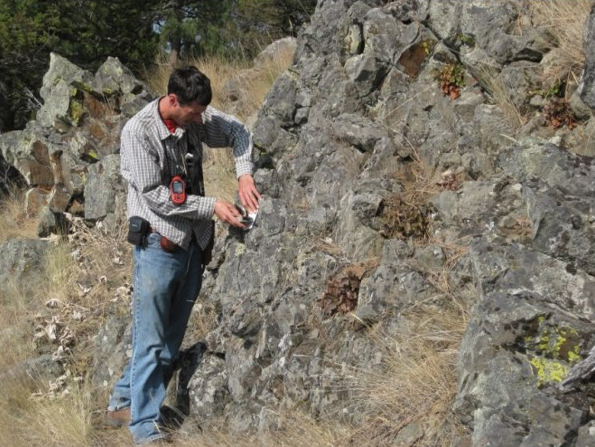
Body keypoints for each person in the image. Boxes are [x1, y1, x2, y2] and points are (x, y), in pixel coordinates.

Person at [106, 66, 261, 445]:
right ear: (173, 101)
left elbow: (239, 131)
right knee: (152, 338)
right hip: (158, 246)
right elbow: (155, 195)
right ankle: (144, 428)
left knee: (170, 337)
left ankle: (122, 400)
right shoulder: (138, 132)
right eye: (194, 111)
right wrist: (212, 207)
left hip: (193, 245)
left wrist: (244, 174)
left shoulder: (196, 118)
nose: (200, 119)